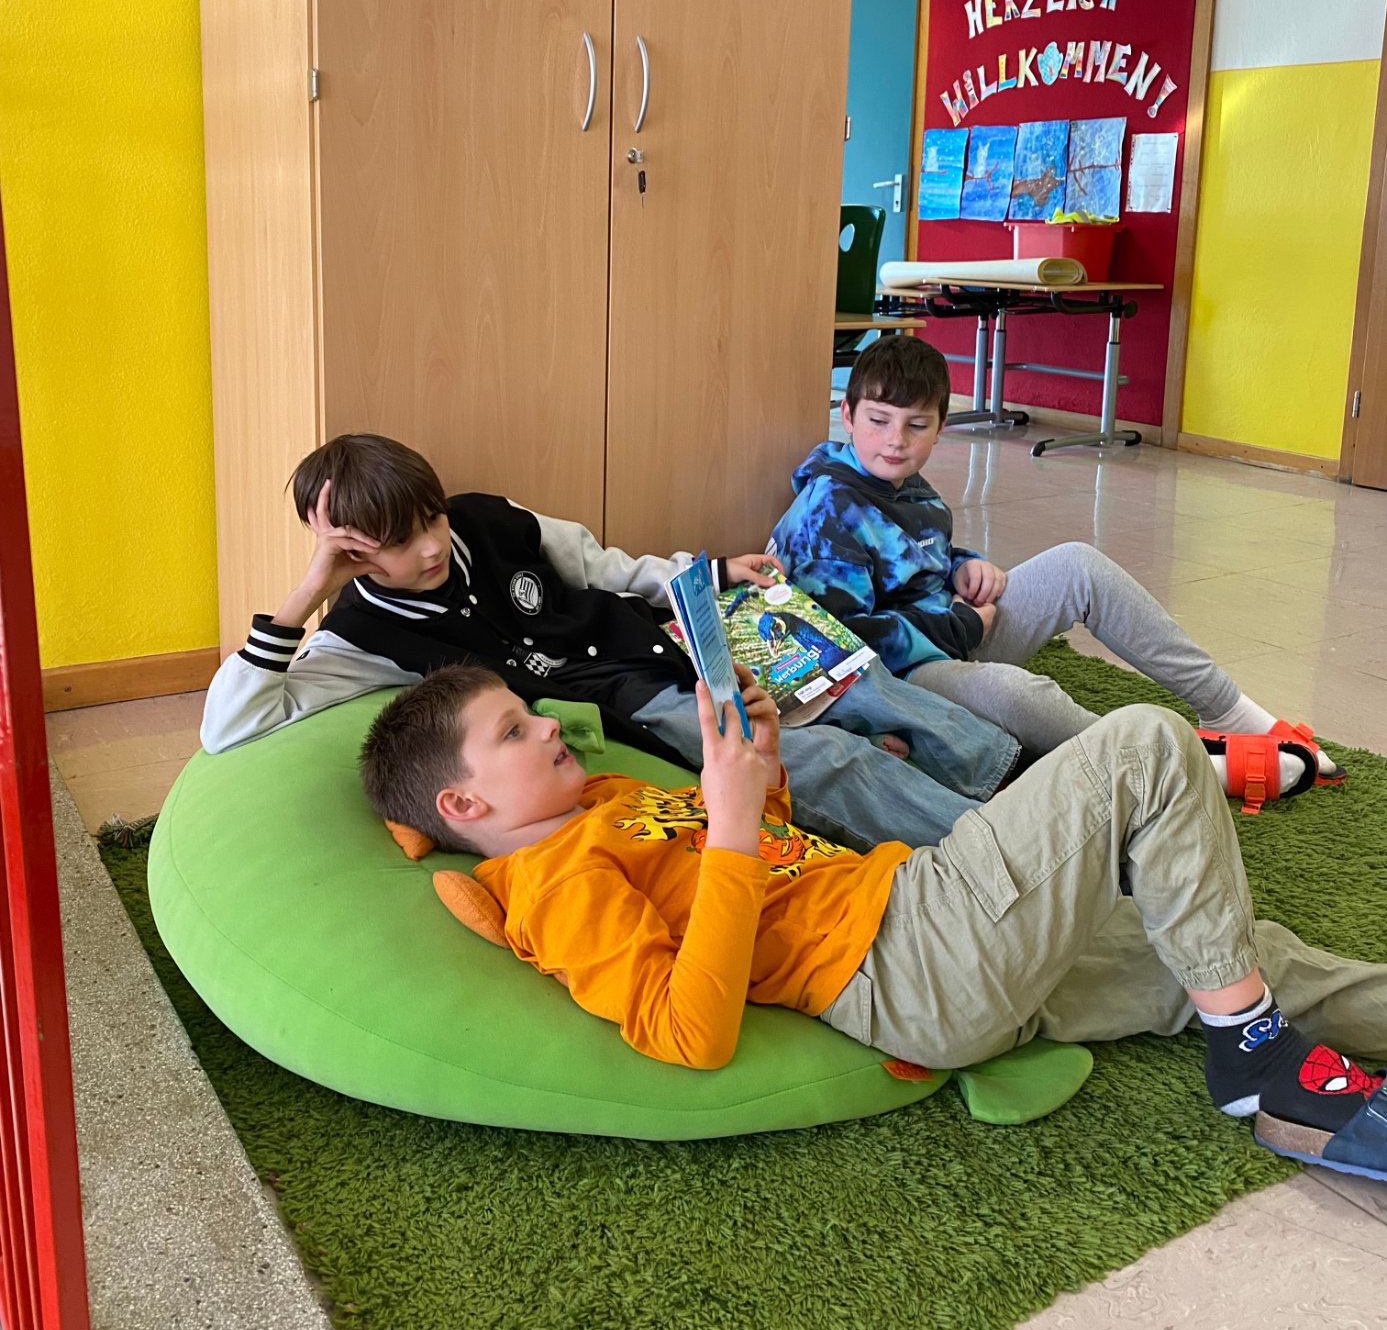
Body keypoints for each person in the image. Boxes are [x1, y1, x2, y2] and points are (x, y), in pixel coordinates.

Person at [359, 662, 1387, 1181]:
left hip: (924, 933)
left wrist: (760, 775)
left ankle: (1251, 1027)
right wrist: (729, 822)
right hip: (909, 953)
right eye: (513, 730)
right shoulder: (554, 884)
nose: (547, 723)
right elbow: (685, 1029)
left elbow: (756, 870)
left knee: (1236, 956)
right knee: (1147, 746)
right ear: (463, 804)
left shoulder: (606, 797)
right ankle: (1251, 1056)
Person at [200, 433, 1021, 849]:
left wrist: (707, 575)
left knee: (858, 682)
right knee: (821, 757)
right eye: (395, 542)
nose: (427, 548)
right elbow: (230, 725)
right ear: (349, 552)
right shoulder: (361, 633)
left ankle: (1014, 782)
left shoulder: (485, 518)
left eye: (430, 520)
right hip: (636, 703)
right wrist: (309, 591)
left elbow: (600, 564)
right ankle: (998, 851)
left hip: (663, 636)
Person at [768, 334, 1346, 812]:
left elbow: (922, 554)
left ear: (941, 426)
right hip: (901, 678)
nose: (895, 441)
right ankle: (1167, 765)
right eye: (878, 421)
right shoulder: (828, 511)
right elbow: (845, 646)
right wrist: (960, 626)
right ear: (847, 416)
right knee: (1016, 694)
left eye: (916, 425)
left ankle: (1228, 710)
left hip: (953, 631)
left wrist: (967, 566)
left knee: (1077, 564)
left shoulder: (903, 481)